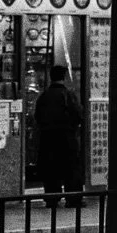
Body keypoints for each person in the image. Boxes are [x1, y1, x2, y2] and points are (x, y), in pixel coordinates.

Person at [34, 65, 84, 208]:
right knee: (71, 169)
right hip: (67, 138)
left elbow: (37, 117)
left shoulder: (44, 96)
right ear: (64, 77)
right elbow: (78, 115)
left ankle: (52, 199)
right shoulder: (69, 95)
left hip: (48, 139)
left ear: (51, 77)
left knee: (51, 170)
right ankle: (73, 199)